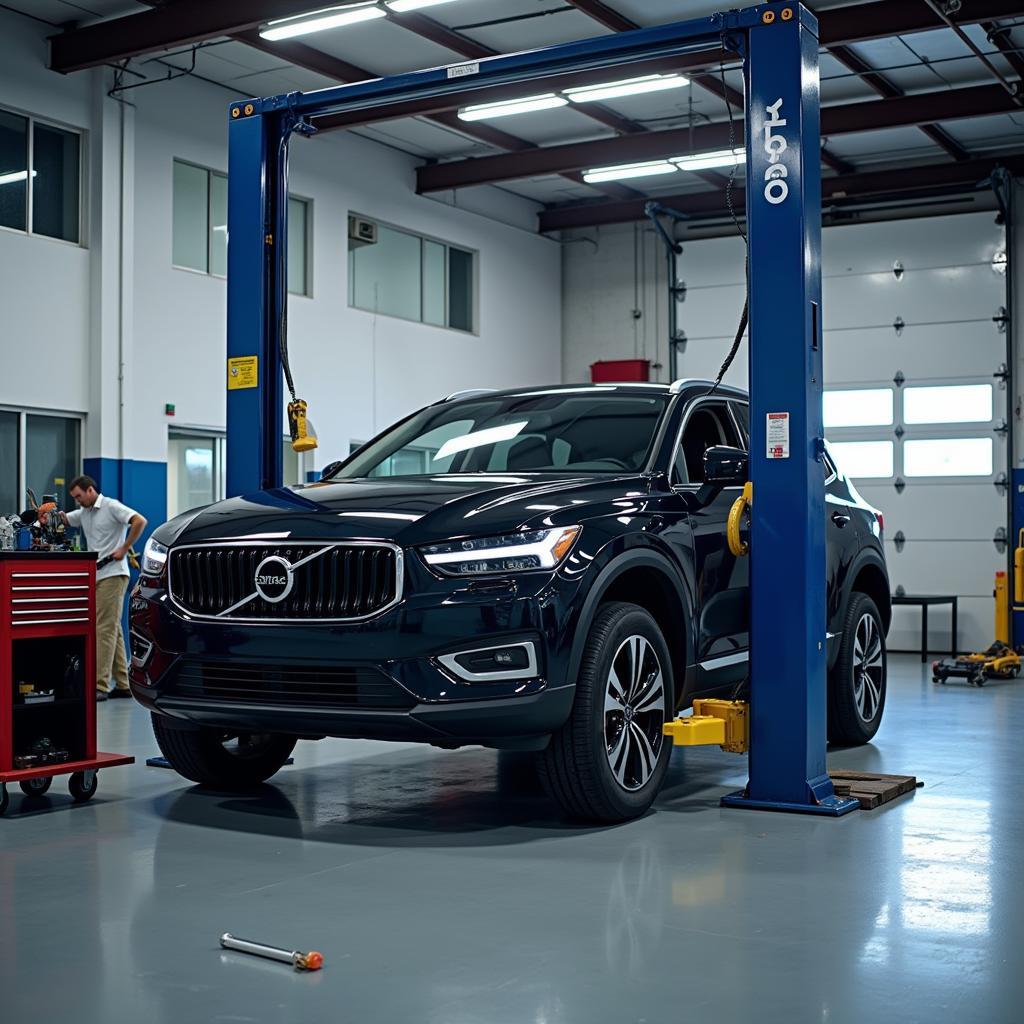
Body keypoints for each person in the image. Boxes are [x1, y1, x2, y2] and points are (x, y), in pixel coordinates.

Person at [63, 475, 148, 702]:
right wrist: (48, 514)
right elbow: (65, 520)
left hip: (113, 573)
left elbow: (140, 520)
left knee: (103, 629)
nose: (77, 501)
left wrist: (125, 547)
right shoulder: (85, 513)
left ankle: (100, 685)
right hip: (98, 574)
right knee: (113, 629)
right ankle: (123, 683)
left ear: (90, 490)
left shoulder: (111, 506)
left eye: (79, 496)